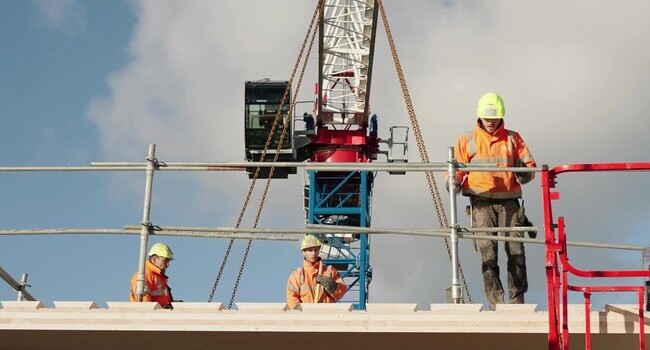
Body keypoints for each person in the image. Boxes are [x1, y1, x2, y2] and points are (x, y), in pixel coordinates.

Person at [452, 92, 537, 311]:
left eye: (495, 118)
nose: (491, 122)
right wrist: (453, 182)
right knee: (488, 255)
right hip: (481, 203)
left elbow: (529, 166)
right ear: (479, 116)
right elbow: (456, 171)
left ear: (501, 116)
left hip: (510, 202)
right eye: (487, 118)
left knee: (516, 253)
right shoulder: (467, 139)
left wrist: (525, 174)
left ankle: (517, 304)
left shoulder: (513, 138)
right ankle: (497, 306)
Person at [286, 235, 347, 309]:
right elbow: (291, 297)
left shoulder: (329, 270)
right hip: (307, 317)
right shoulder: (297, 275)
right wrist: (300, 313)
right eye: (310, 250)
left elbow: (342, 291)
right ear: (304, 252)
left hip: (327, 316)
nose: (313, 253)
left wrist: (330, 284)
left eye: (316, 250)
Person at [129, 242, 178, 309]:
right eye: (165, 261)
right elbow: (144, 306)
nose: (168, 264)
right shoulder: (144, 275)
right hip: (149, 317)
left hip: (157, 316)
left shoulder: (158, 277)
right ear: (154, 259)